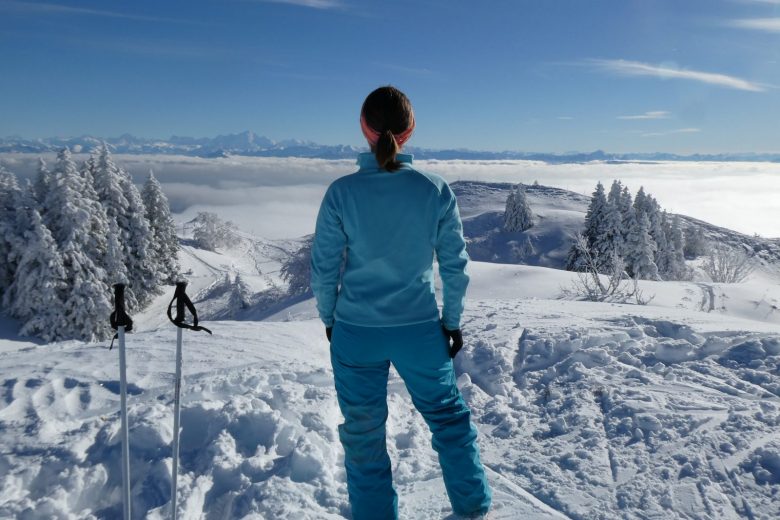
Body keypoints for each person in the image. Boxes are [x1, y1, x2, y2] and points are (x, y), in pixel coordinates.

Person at [310, 85, 492, 519]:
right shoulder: (435, 190)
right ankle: (473, 507)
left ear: (364, 129)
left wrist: (331, 320)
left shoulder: (341, 192)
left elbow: (323, 268)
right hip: (420, 332)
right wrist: (451, 322)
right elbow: (454, 266)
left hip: (356, 334)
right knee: (448, 420)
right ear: (409, 132)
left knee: (364, 435)